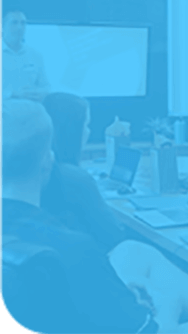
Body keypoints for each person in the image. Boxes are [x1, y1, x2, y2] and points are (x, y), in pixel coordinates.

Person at [0, 99, 188, 334]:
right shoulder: (75, 249)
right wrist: (169, 303)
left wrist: (116, 293)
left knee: (132, 250)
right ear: (47, 161)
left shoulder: (54, 247)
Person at [40, 92, 125, 253]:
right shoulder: (74, 178)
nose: (88, 132)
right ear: (72, 130)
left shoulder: (36, 171)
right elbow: (114, 234)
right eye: (86, 125)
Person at [1, 10, 50, 101]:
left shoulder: (35, 55)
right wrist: (12, 94)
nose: (19, 27)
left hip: (31, 106)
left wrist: (41, 93)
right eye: (14, 23)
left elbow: (46, 87)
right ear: (2, 27)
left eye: (23, 23)